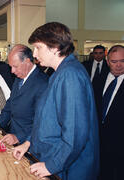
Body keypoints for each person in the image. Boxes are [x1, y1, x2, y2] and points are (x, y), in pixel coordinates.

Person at [13, 22, 100, 180]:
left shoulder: (70, 76)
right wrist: (28, 143)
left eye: (38, 47)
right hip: (56, 160)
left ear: (54, 47)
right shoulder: (58, 74)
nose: (34, 54)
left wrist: (51, 166)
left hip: (68, 168)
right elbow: (46, 120)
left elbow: (75, 134)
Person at [0, 44, 48, 145]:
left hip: (30, 142)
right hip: (13, 135)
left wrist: (18, 137)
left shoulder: (43, 83)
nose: (12, 71)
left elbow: (42, 122)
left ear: (27, 62)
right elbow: (11, 102)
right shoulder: (19, 78)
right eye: (11, 67)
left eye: (15, 66)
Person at [96, 45, 124, 180]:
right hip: (98, 146)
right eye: (114, 62)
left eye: (123, 61)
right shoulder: (99, 80)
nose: (119, 65)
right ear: (107, 62)